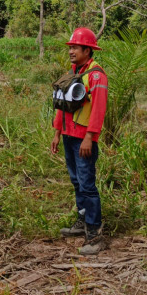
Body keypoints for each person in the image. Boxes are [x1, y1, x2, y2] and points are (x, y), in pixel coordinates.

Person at [51, 27, 108, 255]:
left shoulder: (96, 76)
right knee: (76, 181)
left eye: (75, 47)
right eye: (70, 47)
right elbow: (62, 105)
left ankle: (95, 234)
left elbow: (98, 109)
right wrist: (57, 132)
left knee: (87, 185)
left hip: (84, 140)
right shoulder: (73, 72)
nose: (71, 51)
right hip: (68, 136)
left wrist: (90, 137)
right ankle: (82, 221)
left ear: (87, 50)